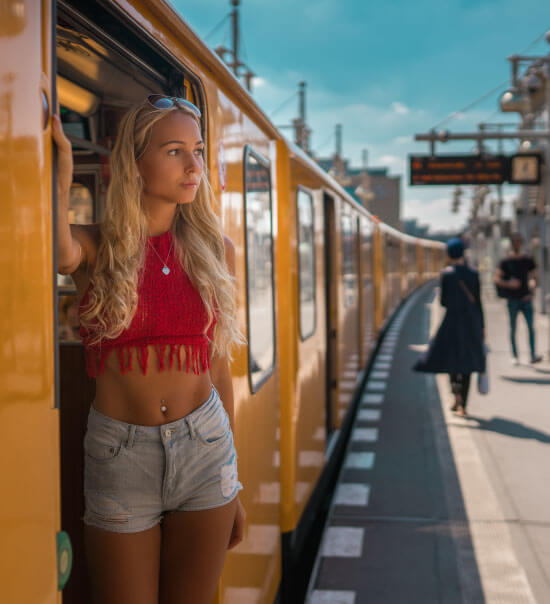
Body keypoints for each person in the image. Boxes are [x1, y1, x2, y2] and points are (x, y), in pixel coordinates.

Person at [53, 94, 246, 604]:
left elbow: (220, 369)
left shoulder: (217, 252)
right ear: (135, 164)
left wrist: (235, 480)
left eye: (198, 151)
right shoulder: (97, 247)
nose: (193, 166)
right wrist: (60, 172)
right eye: (175, 151)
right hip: (121, 454)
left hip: (207, 448)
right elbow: (54, 250)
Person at [414, 238, 486, 417]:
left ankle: (456, 396)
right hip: (471, 323)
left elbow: (443, 301)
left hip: (452, 322)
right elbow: (478, 302)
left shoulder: (447, 275)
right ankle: (464, 403)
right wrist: (482, 327)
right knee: (468, 363)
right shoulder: (474, 274)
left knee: (451, 360)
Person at [494, 232, 542, 365]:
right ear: (511, 243)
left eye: (519, 241)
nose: (517, 244)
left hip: (526, 298)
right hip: (512, 299)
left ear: (522, 243)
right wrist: (509, 283)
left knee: (531, 327)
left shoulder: (528, 259)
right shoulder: (505, 262)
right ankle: (514, 355)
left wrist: (532, 283)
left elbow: (534, 275)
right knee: (513, 327)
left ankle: (532, 354)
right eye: (515, 241)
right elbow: (497, 278)